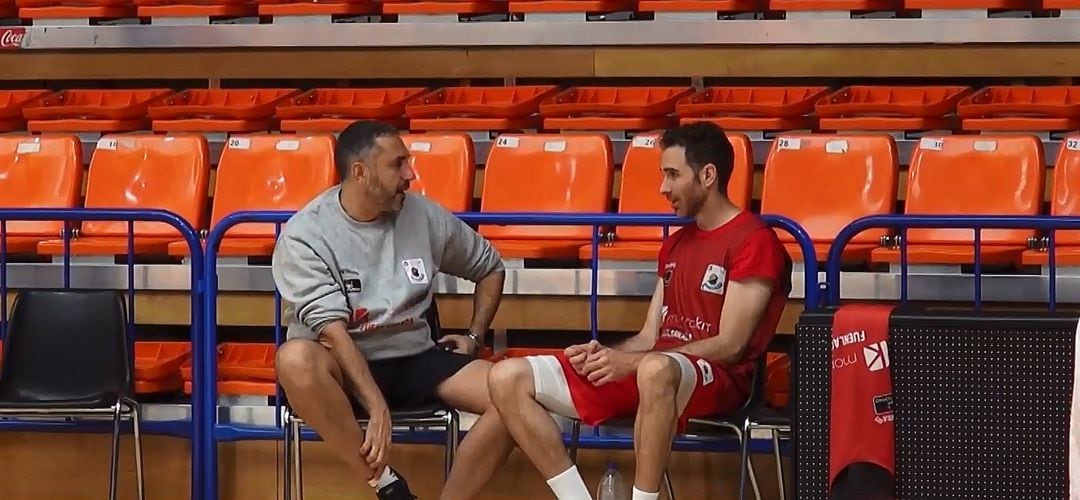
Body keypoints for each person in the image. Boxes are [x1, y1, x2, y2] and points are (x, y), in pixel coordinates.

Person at [488, 122, 792, 500]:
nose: (663, 188)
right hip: (656, 370)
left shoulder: (754, 240)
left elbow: (730, 345)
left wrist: (634, 363)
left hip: (719, 380)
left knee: (653, 368)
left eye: (672, 174)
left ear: (708, 175)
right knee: (506, 377)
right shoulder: (677, 245)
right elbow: (650, 337)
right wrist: (605, 354)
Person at [271, 120, 514, 500]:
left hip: (414, 354)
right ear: (360, 172)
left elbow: (490, 267)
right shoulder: (305, 234)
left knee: (514, 394)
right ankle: (386, 484)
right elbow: (332, 335)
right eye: (398, 164)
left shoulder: (424, 215)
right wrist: (376, 406)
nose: (410, 174)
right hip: (343, 364)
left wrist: (473, 337)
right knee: (295, 359)